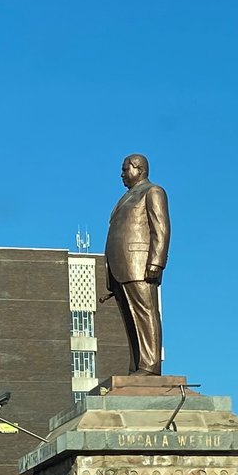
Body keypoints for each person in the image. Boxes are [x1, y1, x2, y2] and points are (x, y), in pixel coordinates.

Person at [104, 153, 171, 375]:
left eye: (125, 169)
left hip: (140, 264)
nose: (122, 174)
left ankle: (150, 366)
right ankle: (136, 366)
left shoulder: (153, 192)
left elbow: (160, 228)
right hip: (122, 267)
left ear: (139, 169)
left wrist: (156, 262)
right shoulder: (125, 198)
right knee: (130, 318)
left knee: (145, 313)